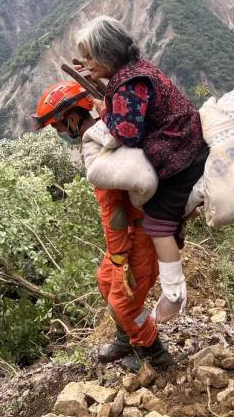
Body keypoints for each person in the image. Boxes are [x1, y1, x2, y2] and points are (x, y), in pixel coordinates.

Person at [31, 80, 173, 372]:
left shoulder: (101, 150)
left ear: (71, 119)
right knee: (106, 281)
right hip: (132, 229)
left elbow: (114, 212)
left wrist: (119, 256)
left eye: (58, 127)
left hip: (142, 232)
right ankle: (128, 338)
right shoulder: (103, 136)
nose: (59, 133)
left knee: (125, 302)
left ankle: (155, 354)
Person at [74, 16, 208, 323]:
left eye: (91, 57)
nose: (87, 64)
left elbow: (128, 132)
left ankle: (175, 293)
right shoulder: (135, 71)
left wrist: (102, 119)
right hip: (186, 142)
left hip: (179, 155)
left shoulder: (130, 84)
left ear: (109, 55)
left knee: (159, 224)